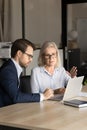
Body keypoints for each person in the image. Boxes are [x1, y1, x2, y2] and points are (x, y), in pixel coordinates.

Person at [0, 39, 54, 107]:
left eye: (31, 57)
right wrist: (42, 96)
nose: (31, 60)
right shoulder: (8, 70)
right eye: (29, 56)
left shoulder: (14, 68)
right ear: (19, 53)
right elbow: (16, 97)